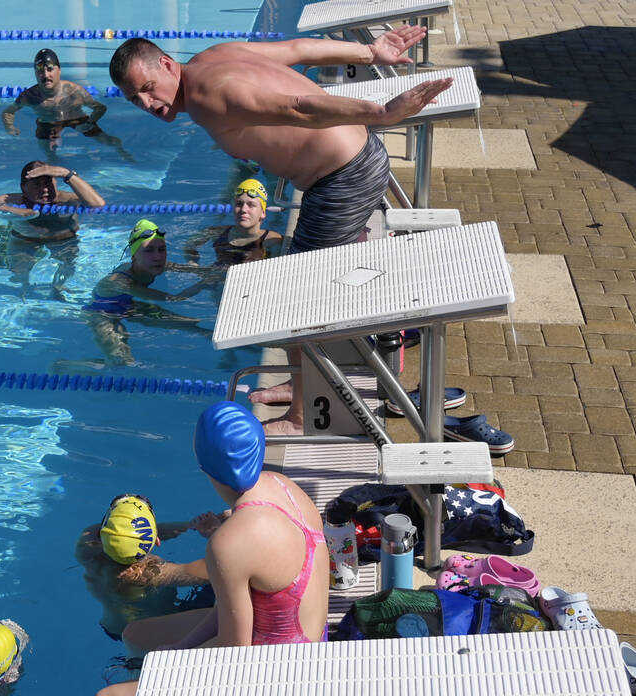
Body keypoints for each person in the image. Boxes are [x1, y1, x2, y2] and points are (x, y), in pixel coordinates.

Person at [109, 29, 452, 431]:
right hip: (358, 160)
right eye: (135, 99)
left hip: (343, 180)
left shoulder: (204, 99)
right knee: (296, 287)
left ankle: (301, 415)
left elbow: (298, 107)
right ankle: (300, 380)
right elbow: (297, 48)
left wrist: (381, 113)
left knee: (294, 301)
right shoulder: (215, 55)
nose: (148, 103)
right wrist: (369, 51)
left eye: (148, 88)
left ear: (166, 65)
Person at [90, 401, 329, 696]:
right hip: (308, 642)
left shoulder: (229, 544)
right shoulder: (285, 486)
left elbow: (233, 657)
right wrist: (180, 647)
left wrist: (172, 665)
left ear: (203, 466)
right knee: (135, 635)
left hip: (277, 681)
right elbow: (241, 607)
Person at [76, 493, 224, 641]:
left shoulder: (87, 548)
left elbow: (122, 532)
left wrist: (189, 525)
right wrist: (217, 533)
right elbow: (221, 569)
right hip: (154, 635)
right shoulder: (151, 573)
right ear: (157, 541)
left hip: (112, 627)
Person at [0, 160, 106, 297]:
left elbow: (98, 204)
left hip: (65, 241)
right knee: (18, 271)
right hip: (25, 240)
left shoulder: (67, 200)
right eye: (37, 185)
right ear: (23, 188)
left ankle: (58, 288)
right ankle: (23, 290)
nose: (44, 189)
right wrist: (12, 210)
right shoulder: (16, 201)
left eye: (48, 183)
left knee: (67, 266)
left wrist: (66, 173)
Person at [84, 219, 210, 365]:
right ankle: (62, 367)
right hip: (101, 315)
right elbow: (174, 298)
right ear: (134, 256)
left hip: (128, 305)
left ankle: (209, 336)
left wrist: (213, 272)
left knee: (189, 323)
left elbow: (188, 269)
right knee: (122, 362)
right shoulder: (120, 281)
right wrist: (203, 285)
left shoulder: (153, 264)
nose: (158, 256)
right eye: (149, 250)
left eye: (161, 249)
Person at [1, 48, 129, 158]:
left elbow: (100, 108)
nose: (45, 75)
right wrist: (10, 127)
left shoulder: (74, 91)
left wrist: (90, 122)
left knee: (107, 141)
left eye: (50, 69)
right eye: (40, 70)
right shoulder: (30, 97)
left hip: (76, 119)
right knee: (47, 150)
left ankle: (121, 151)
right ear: (35, 73)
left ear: (59, 70)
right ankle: (54, 162)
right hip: (48, 123)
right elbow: (8, 112)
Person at [183, 178, 284, 269]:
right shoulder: (218, 233)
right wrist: (194, 264)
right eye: (239, 204)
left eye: (251, 205)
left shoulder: (272, 241)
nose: (244, 209)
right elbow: (189, 245)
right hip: (214, 281)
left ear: (262, 213)